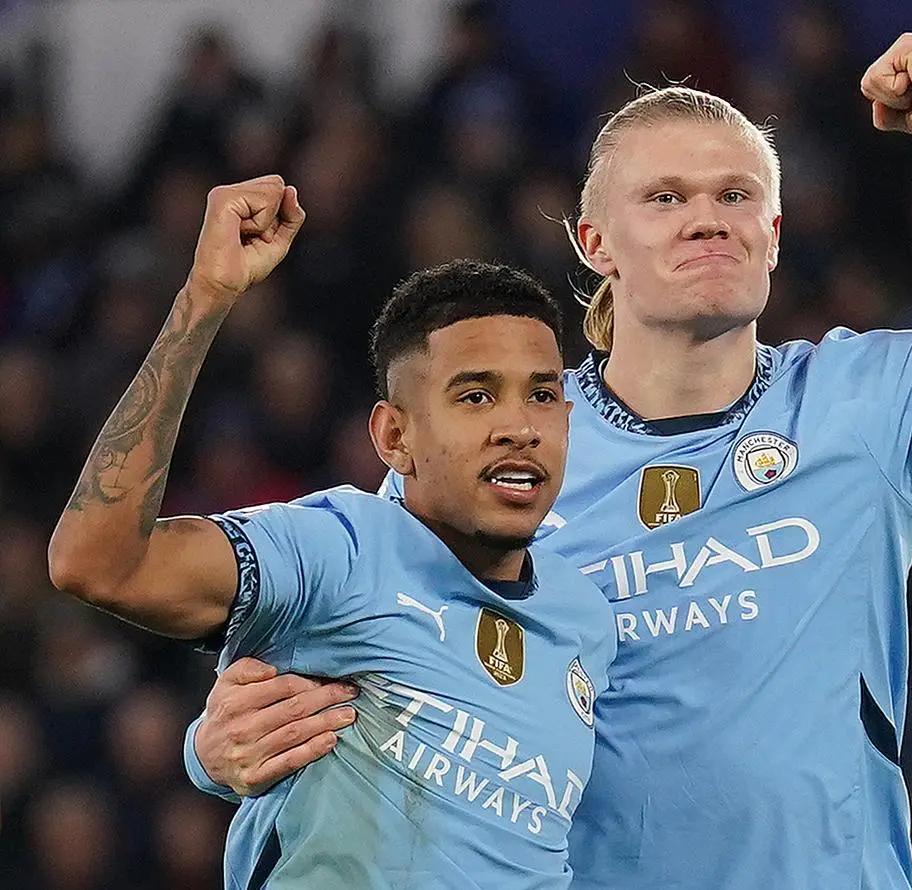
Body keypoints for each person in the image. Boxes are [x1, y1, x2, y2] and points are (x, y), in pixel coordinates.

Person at [183, 35, 912, 889]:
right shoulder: (500, 450)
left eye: (734, 194)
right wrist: (214, 747)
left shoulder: (871, 402)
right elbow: (328, 662)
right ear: (594, 239)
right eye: (665, 197)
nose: (706, 216)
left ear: (772, 230)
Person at [47, 175, 615, 889]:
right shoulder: (339, 546)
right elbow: (95, 563)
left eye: (542, 394)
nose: (519, 426)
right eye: (475, 395)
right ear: (394, 436)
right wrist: (204, 299)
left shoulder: (586, 619)